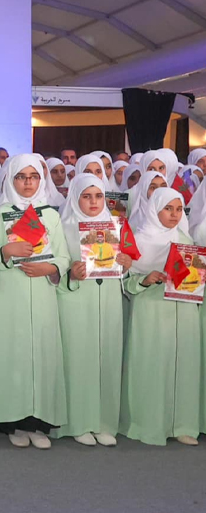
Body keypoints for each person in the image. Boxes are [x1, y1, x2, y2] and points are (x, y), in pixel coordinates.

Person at [0, 154, 69, 449]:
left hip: (43, 292)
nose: (28, 183)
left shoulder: (51, 215)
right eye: (21, 177)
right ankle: (13, 422)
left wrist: (51, 268)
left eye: (33, 177)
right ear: (11, 179)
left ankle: (39, 422)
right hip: (10, 294)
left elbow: (63, 255)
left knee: (42, 353)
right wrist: (6, 252)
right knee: (12, 352)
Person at [54, 173, 130, 447]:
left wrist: (125, 262)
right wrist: (71, 274)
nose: (93, 202)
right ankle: (79, 421)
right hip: (76, 301)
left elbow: (124, 266)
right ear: (76, 197)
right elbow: (55, 272)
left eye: (98, 196)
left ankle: (104, 421)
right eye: (86, 196)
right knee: (79, 360)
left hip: (108, 300)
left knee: (106, 357)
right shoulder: (65, 227)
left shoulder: (115, 226)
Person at [121, 188, 199, 445]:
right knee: (153, 364)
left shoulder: (184, 236)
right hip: (152, 309)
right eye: (168, 209)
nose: (174, 215)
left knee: (183, 363)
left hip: (183, 309)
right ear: (154, 209)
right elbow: (125, 283)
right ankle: (150, 423)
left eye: (178, 209)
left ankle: (182, 423)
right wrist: (145, 279)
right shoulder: (139, 239)